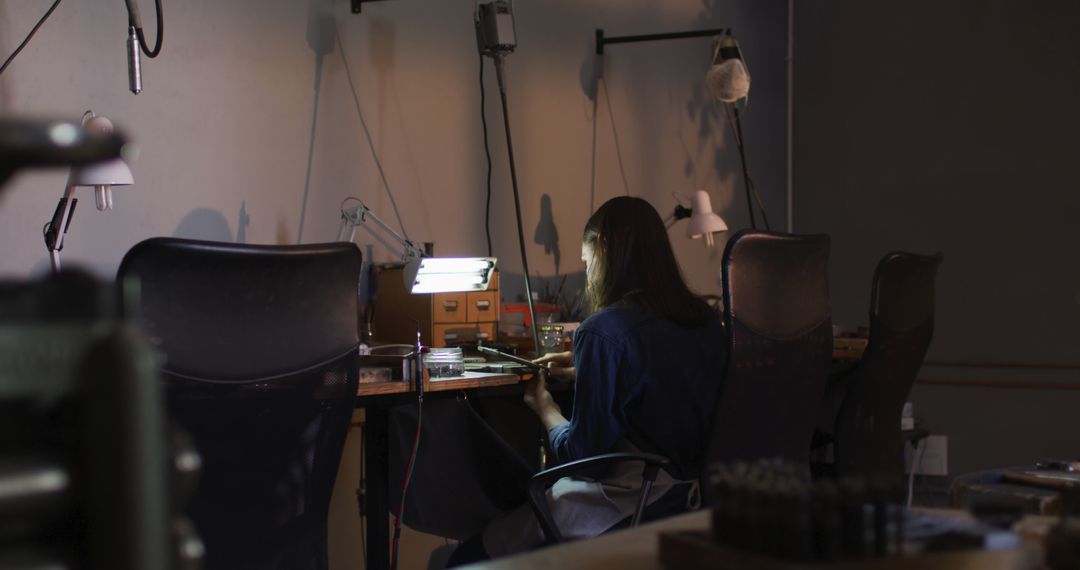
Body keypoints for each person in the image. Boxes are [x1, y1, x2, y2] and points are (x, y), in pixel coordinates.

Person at [446, 196, 726, 566]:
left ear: (604, 248)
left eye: (586, 259)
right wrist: (587, 371)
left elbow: (585, 460)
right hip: (689, 504)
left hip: (627, 507)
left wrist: (547, 409)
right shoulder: (705, 320)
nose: (588, 270)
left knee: (460, 561)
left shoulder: (603, 331)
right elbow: (661, 383)